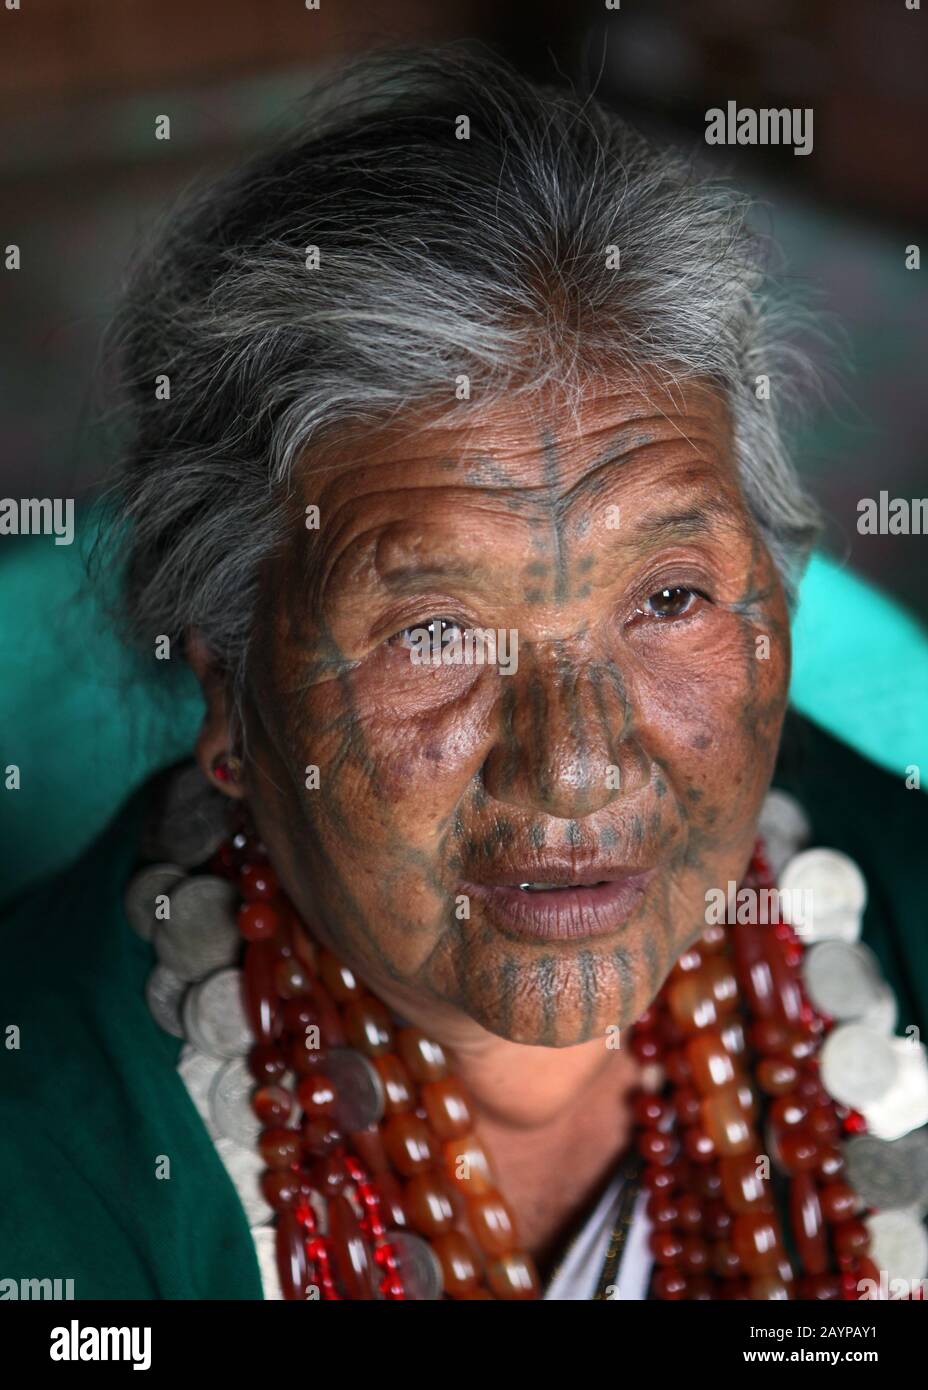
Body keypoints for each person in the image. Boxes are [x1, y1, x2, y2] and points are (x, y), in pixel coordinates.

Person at [2, 46, 926, 1303]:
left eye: (668, 598)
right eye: (433, 631)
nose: (576, 763)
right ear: (232, 690)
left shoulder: (901, 920)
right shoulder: (49, 1161)